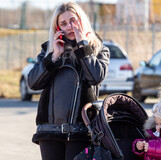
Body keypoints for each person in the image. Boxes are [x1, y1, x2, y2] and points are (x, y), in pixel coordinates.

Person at [27, 2, 110, 160]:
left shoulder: (98, 49)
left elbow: (96, 77)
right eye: (63, 23)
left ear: (82, 21)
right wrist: (53, 57)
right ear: (58, 28)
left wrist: (83, 47)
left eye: (73, 20)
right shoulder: (49, 51)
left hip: (81, 131)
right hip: (49, 131)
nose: (69, 26)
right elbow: (33, 83)